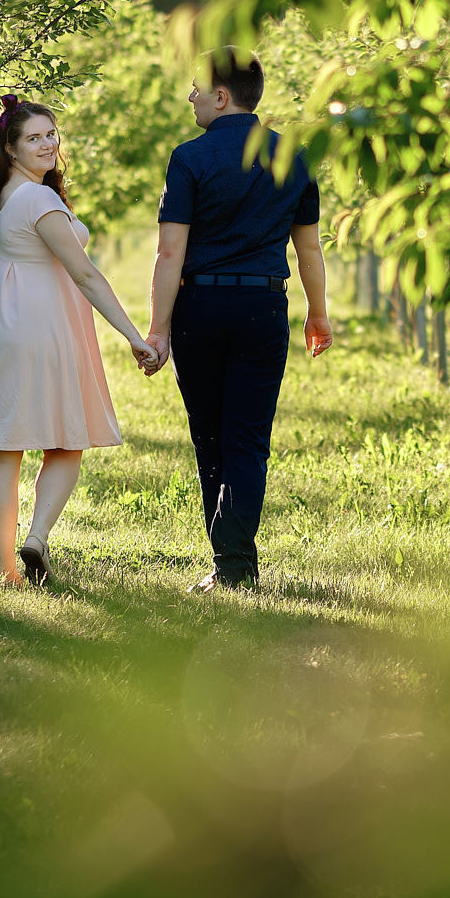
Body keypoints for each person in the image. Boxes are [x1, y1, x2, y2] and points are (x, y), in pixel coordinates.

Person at [142, 48, 333, 592]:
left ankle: (230, 564)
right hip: (264, 308)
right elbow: (310, 251)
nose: (191, 97)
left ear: (222, 97)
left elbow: (169, 255)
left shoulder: (189, 158)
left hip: (200, 309)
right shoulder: (294, 156)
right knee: (248, 439)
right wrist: (317, 315)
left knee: (211, 438)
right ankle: (235, 566)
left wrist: (158, 329)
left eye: (197, 89)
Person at [0, 94, 158, 587]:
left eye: (51, 134)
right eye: (34, 138)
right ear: (11, 148)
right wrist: (135, 337)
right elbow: (85, 275)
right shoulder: (38, 199)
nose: (47, 144)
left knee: (2, 450)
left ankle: (7, 571)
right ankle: (37, 537)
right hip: (39, 327)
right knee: (66, 442)